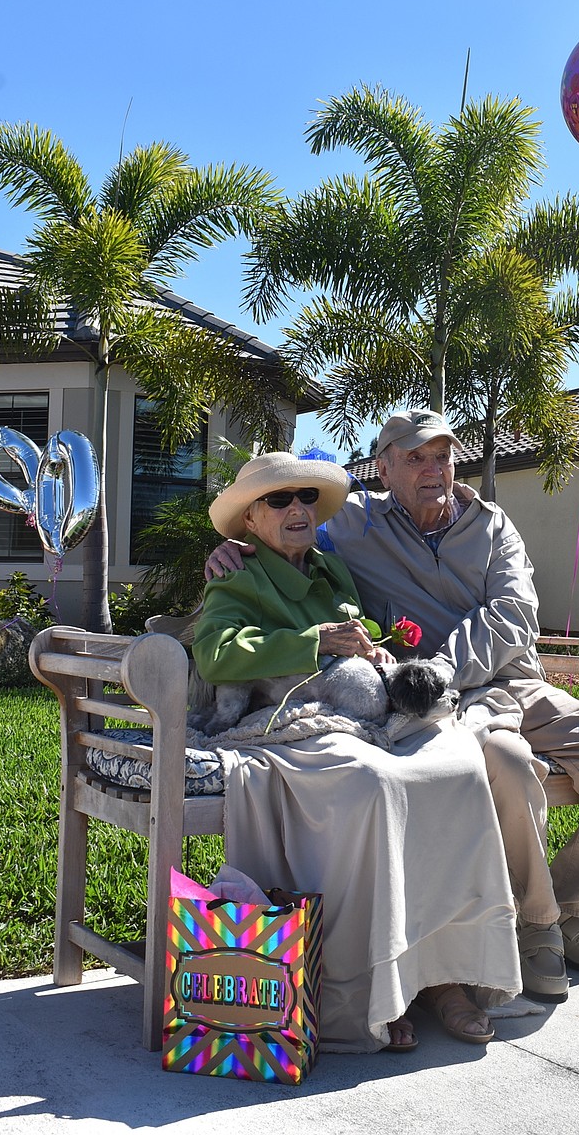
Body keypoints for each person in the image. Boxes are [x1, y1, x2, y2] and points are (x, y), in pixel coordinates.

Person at [206, 413, 579, 1003]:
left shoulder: (493, 525)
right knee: (506, 761)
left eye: (444, 456)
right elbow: (282, 527)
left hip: (511, 682)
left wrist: (444, 668)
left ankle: (567, 907)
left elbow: (513, 616)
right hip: (434, 705)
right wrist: (227, 549)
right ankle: (538, 929)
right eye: (416, 458)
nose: (435, 470)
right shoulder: (352, 522)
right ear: (383, 468)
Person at [192, 451, 522, 1053]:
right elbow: (216, 656)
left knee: (458, 767)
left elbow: (361, 627)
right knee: (375, 785)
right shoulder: (236, 573)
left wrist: (379, 653)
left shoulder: (329, 568)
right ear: (250, 520)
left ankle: (443, 975)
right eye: (279, 500)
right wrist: (312, 642)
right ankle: (372, 988)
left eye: (306, 499)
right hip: (289, 720)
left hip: (359, 715)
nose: (297, 509)